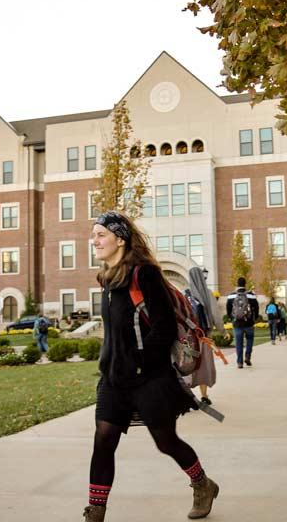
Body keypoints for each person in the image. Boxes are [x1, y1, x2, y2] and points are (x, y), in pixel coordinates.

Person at [85, 211, 218, 522]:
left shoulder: (144, 275)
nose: (94, 240)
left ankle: (203, 484)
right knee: (103, 439)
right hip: (113, 378)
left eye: (100, 234)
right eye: (93, 235)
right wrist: (109, 363)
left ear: (120, 239)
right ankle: (95, 512)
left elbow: (164, 328)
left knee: (165, 440)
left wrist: (143, 365)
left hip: (149, 377)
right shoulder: (106, 278)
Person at [187, 266, 227, 406]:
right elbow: (216, 315)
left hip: (188, 339)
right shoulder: (208, 294)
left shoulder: (185, 294)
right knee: (203, 365)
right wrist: (223, 331)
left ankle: (188, 396)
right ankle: (204, 396)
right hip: (204, 336)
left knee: (188, 365)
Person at [226, 277, 259, 369]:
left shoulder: (231, 296)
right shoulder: (251, 295)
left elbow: (228, 308)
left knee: (238, 343)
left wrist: (231, 318)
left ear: (237, 284)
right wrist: (255, 318)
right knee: (250, 340)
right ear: (245, 284)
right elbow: (256, 308)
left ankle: (239, 362)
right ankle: (247, 356)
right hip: (249, 323)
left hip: (237, 323)